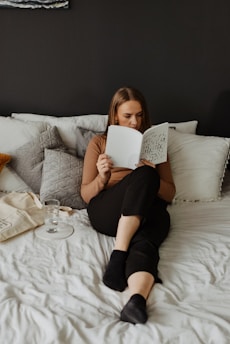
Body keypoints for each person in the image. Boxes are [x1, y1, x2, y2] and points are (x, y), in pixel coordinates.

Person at [81, 86, 176, 325]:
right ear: (114, 116)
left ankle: (136, 301)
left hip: (147, 210)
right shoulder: (98, 143)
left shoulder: (154, 143)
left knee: (146, 242)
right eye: (128, 116)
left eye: (140, 115)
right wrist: (102, 178)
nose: (135, 122)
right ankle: (119, 253)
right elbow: (85, 195)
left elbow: (170, 193)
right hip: (109, 211)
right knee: (144, 177)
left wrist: (151, 172)